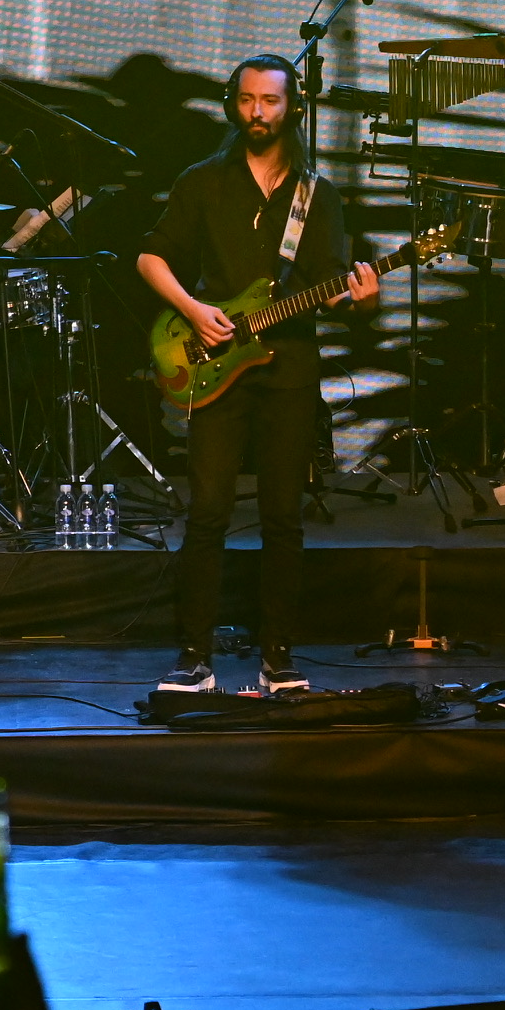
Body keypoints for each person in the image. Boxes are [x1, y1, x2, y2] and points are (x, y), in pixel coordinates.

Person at [137, 57, 383, 695]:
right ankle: (194, 657)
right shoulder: (202, 181)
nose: (257, 112)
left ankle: (279, 658)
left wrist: (361, 297)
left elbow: (330, 286)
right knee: (208, 514)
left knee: (283, 518)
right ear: (232, 105)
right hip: (216, 365)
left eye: (270, 101)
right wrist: (194, 310)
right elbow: (150, 256)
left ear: (291, 108)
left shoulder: (316, 194)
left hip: (290, 371)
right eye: (247, 99)